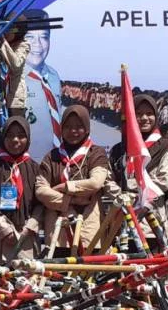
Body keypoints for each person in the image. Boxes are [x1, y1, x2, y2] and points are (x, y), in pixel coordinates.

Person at [35, 105, 117, 257]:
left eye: (79, 126)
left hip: (88, 228)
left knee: (87, 275)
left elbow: (96, 183)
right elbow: (41, 190)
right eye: (68, 126)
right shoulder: (51, 157)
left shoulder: (96, 154)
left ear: (87, 128)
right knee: (57, 276)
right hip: (58, 232)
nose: (73, 131)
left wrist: (65, 186)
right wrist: (69, 200)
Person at [110, 94, 168, 240]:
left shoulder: (165, 146)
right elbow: (109, 180)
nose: (145, 118)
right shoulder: (119, 149)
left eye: (149, 113)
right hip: (123, 216)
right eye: (138, 114)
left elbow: (164, 180)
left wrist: (140, 196)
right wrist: (123, 197)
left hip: (152, 218)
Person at [0, 116, 42, 263]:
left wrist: (29, 227)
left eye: (21, 136)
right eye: (10, 135)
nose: (15, 140)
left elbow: (40, 204)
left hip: (25, 236)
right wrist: (4, 229)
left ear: (28, 138)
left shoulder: (34, 168)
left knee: (24, 280)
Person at [0, 17, 30, 157]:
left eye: (8, 30)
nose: (6, 33)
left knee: (13, 137)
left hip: (13, 101)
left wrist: (3, 42)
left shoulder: (23, 45)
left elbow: (15, 65)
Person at [22, 8, 63, 161]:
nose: (38, 44)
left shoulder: (54, 76)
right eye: (30, 37)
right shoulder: (11, 77)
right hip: (26, 162)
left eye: (44, 37)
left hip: (55, 162)